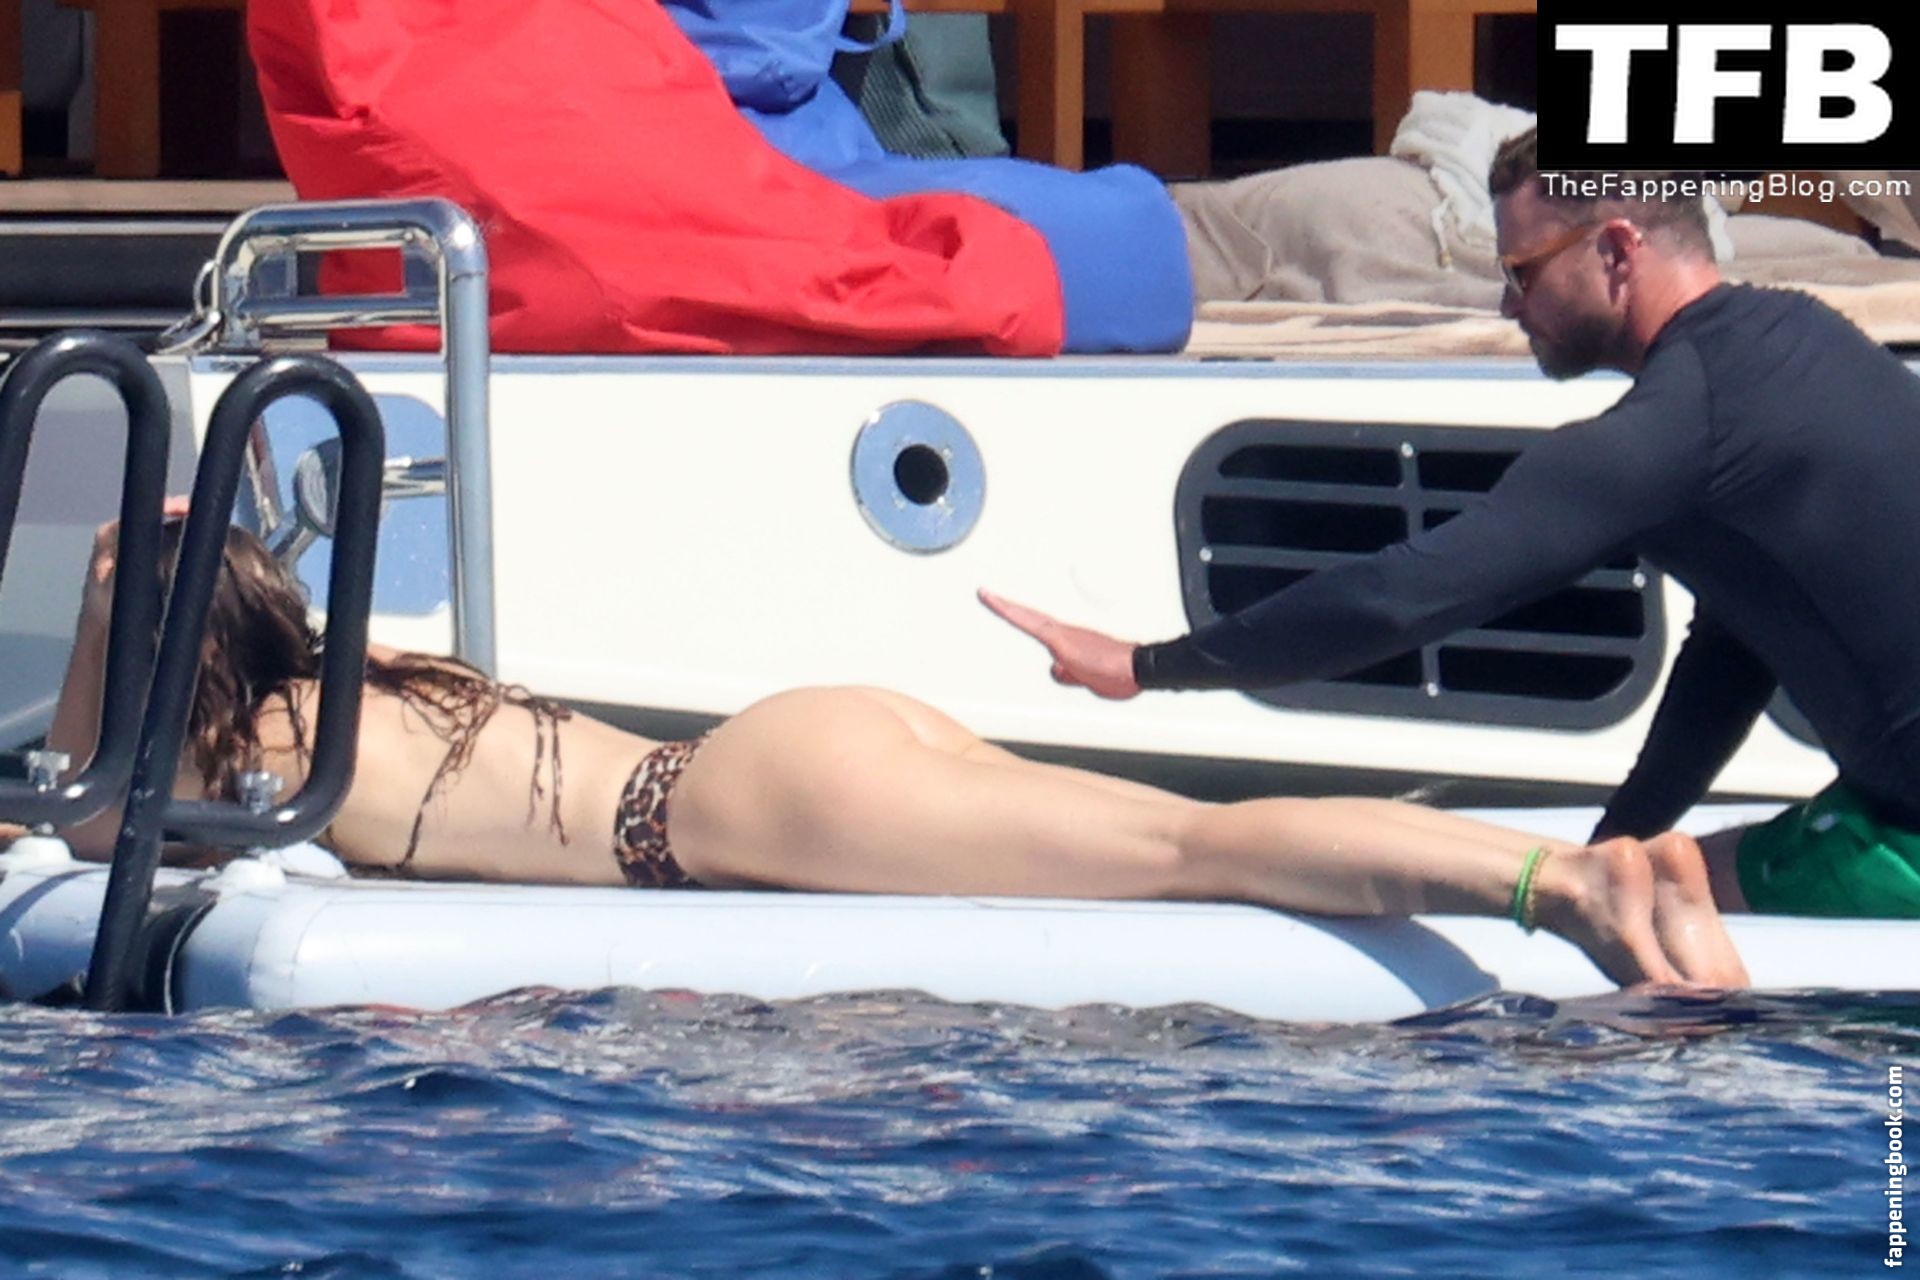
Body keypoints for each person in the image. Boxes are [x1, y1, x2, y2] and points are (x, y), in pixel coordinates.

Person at [15, 510, 1747, 990]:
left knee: (1185, 849)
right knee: (1171, 829)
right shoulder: (368, 679)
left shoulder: (267, 745)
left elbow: (85, 810)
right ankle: (1572, 866)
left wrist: (106, 603)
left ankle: (1567, 884)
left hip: (746, 803)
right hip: (786, 750)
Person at [984, 126, 1920, 922]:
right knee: (1644, 884)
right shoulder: (1803, 338)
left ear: (1617, 251)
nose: (1509, 306)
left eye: (1522, 272)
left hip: (1905, 840)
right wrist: (1618, 843)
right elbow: (1738, 648)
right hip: (1891, 802)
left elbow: (1403, 595)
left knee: (1660, 925)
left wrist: (1145, 667)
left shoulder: (1675, 427)